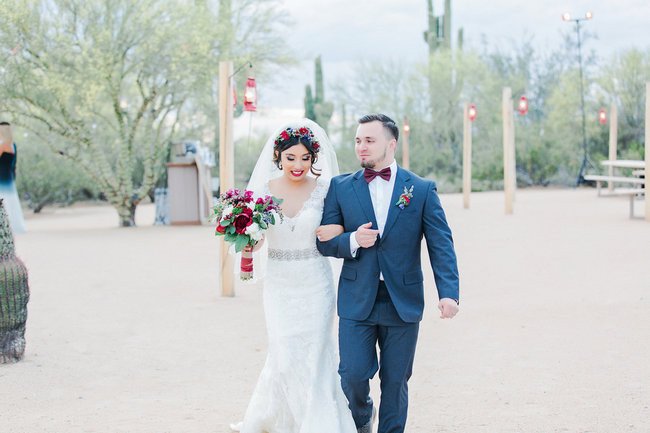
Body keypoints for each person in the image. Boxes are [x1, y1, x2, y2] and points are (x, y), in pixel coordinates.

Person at [316, 113, 460, 433]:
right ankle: (363, 416)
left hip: (402, 301)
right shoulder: (340, 188)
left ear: (391, 144)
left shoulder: (420, 190)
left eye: (369, 140)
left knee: (395, 383)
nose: (361, 147)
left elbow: (441, 245)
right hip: (356, 299)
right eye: (358, 141)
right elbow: (324, 242)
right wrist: (353, 240)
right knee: (352, 375)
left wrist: (448, 292)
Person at [230, 119, 357, 433]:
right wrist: (247, 243)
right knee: (284, 354)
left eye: (305, 158)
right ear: (278, 156)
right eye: (291, 158)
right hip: (279, 284)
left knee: (316, 355)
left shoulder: (327, 189)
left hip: (316, 283)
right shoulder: (262, 193)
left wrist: (337, 229)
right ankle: (281, 421)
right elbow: (256, 239)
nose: (298, 165)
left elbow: (342, 226)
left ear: (314, 158)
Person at [0, 122, 25, 233]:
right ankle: (15, 226)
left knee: (3, 201)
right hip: (9, 175)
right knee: (12, 202)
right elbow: (14, 163)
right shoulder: (13, 145)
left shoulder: (2, 145)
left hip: (1, 176)